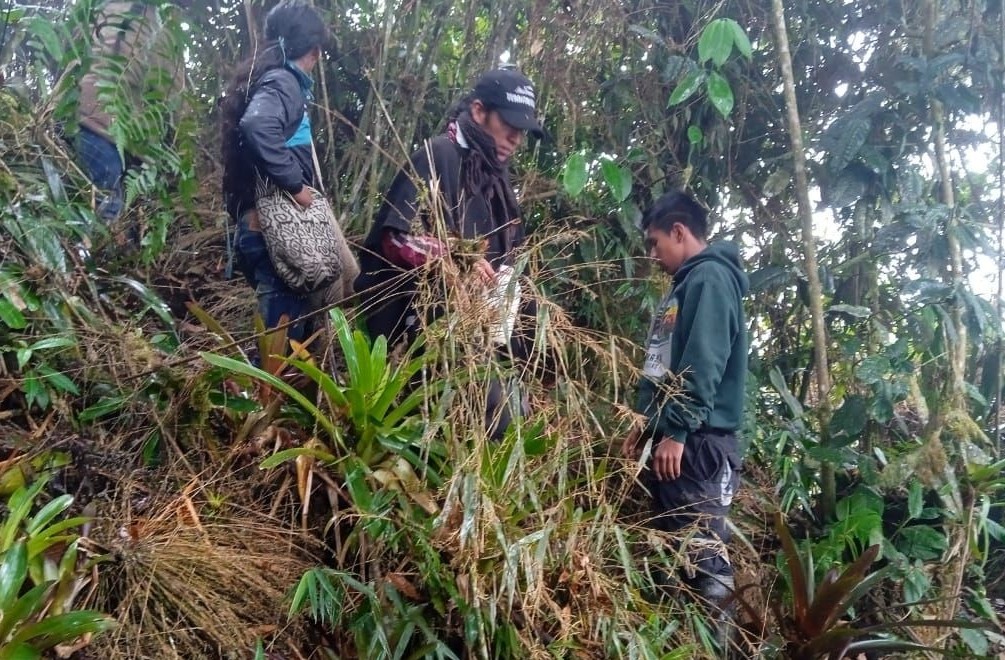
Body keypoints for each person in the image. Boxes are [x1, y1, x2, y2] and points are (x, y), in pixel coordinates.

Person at [354, 68, 545, 437]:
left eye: (522, 131)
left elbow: (513, 261)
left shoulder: (499, 182)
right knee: (493, 413)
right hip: (423, 329)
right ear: (478, 111)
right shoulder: (438, 154)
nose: (515, 138)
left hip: (485, 335)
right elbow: (395, 239)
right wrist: (453, 257)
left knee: (514, 413)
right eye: (509, 124)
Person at [621, 190, 748, 650]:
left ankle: (719, 649)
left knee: (703, 557)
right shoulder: (686, 284)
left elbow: (703, 361)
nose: (653, 255)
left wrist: (675, 430)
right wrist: (643, 423)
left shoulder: (710, 278)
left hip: (697, 444)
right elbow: (662, 364)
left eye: (656, 243)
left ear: (679, 231)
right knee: (677, 555)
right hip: (677, 440)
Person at [220, 2, 331, 346]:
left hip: (256, 229)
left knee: (292, 344)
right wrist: (296, 186)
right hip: (274, 231)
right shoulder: (284, 82)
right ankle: (257, 401)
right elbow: (257, 126)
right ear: (313, 50)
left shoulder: (261, 78)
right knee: (275, 354)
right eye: (319, 51)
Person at [74, 0, 189, 224]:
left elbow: (67, 50)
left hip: (68, 116)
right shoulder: (160, 30)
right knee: (106, 223)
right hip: (106, 131)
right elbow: (175, 101)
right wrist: (182, 157)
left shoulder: (100, 8)